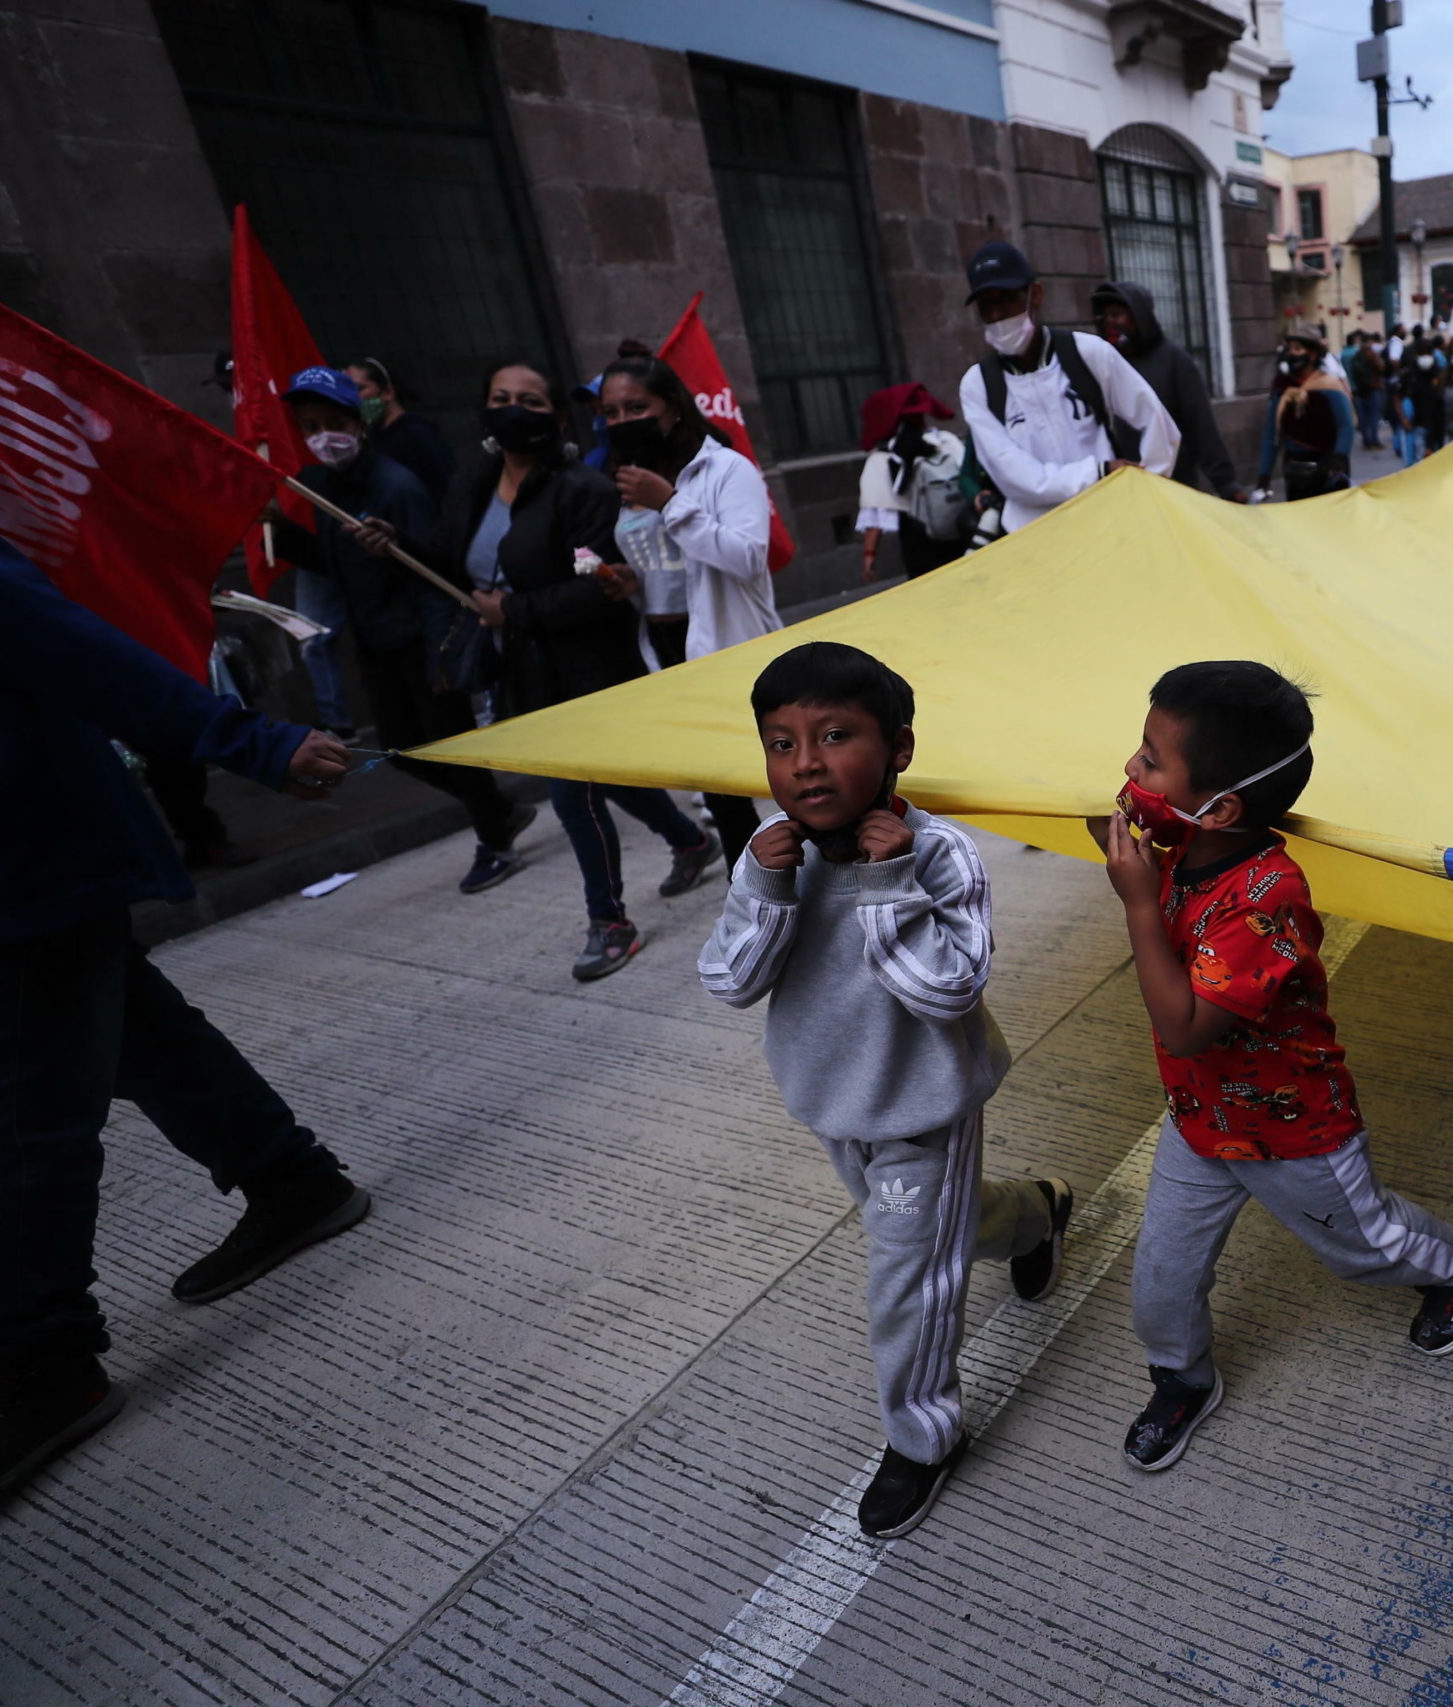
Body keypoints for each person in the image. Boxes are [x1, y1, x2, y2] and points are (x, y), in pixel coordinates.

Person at [0, 514, 364, 1512]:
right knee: (140, 1040)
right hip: (26, 857)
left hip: (16, 860)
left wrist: (251, 742)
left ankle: (40, 1355)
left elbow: (67, 645)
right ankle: (293, 1179)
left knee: (19, 1116)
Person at [698, 640, 1068, 1539]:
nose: (806, 764)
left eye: (833, 735)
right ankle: (1036, 1215)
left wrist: (886, 881)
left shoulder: (939, 854)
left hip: (922, 1108)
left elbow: (947, 988)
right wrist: (765, 883)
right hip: (832, 1099)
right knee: (946, 1229)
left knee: (905, 1278)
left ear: (898, 747)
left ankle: (923, 1436)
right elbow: (730, 979)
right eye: (780, 744)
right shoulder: (771, 853)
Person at [1097, 661, 1453, 1472]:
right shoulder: (1186, 838)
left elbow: (1185, 1029)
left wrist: (1140, 902)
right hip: (1201, 1124)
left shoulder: (1265, 897)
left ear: (1223, 806)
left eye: (1149, 759)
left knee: (1363, 1244)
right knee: (1161, 1280)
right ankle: (1181, 1377)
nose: (1130, 770)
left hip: (1294, 1129)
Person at [442, 360, 719, 978]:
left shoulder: (581, 492)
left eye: (530, 400)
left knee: (573, 795)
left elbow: (599, 588)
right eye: (500, 396)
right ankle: (691, 841)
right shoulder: (474, 486)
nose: (514, 409)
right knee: (608, 783)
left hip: (590, 666)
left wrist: (512, 610)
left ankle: (609, 920)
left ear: (558, 419)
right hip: (525, 668)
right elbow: (456, 561)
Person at [281, 366, 536, 893]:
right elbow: (334, 564)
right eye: (309, 425)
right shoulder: (324, 487)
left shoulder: (396, 486)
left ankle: (495, 837)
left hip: (421, 640)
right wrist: (280, 535)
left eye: (332, 421)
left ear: (359, 422)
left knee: (449, 745)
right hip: (374, 642)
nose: (322, 435)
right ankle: (498, 810)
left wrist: (441, 654)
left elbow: (435, 567)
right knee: (400, 746)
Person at [597, 350, 782, 872]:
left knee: (782, 775)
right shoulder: (629, 477)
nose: (622, 422)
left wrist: (670, 502)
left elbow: (747, 558)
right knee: (720, 794)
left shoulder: (725, 468)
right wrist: (631, 582)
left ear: (673, 407)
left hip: (728, 645)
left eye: (636, 407)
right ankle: (751, 897)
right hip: (665, 646)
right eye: (611, 413)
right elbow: (667, 566)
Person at [957, 242, 1178, 535]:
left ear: (1035, 295)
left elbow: (1154, 417)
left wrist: (1150, 484)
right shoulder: (978, 386)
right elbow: (1015, 477)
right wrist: (1098, 473)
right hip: (1035, 541)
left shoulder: (1087, 353)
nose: (998, 315)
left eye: (1007, 299)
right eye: (986, 306)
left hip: (1109, 525)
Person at [1092, 281, 1246, 500]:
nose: (1110, 323)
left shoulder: (1174, 360)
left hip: (1173, 488)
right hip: (1123, 491)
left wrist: (1227, 484)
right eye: (1105, 317)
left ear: (1139, 316)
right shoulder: (1105, 363)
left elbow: (1200, 425)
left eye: (1117, 315)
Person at [855, 382, 972, 583]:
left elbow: (875, 515)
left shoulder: (883, 459)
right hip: (957, 530)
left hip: (918, 542)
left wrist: (869, 556)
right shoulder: (945, 441)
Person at [1258, 326, 1355, 499]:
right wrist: (1264, 476)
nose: (1292, 354)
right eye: (1290, 349)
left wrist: (1338, 461)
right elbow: (1270, 435)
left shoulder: (1329, 385)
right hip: (1295, 472)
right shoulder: (1282, 388)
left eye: (1298, 349)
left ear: (1313, 354)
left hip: (1327, 469)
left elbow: (1345, 427)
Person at [345, 356, 455, 508]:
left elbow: (446, 487)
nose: (352, 397)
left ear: (388, 392)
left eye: (360, 389)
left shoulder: (418, 434)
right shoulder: (373, 438)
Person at [1398, 336, 1449, 463]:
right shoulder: (1409, 375)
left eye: (1428, 353)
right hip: (1417, 424)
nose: (1425, 357)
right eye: (1422, 353)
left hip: (1437, 425)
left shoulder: (1439, 373)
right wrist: (1403, 418)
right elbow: (1397, 395)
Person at [1345, 329, 1387, 450]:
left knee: (1363, 418)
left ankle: (1366, 441)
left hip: (1358, 390)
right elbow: (1381, 367)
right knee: (1374, 416)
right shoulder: (1371, 355)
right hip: (1373, 389)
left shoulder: (1354, 356)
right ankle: (1374, 440)